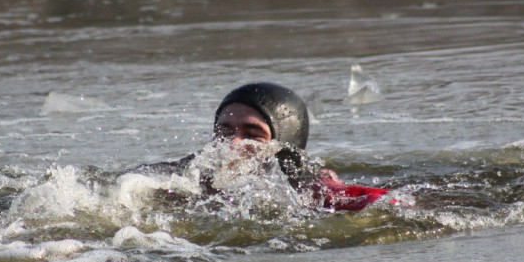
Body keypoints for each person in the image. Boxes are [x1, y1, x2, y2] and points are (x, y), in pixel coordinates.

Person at [140, 82, 389, 211]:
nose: (234, 143)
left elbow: (390, 204)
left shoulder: (312, 188)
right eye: (224, 131)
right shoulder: (186, 176)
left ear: (284, 145)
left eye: (253, 134)